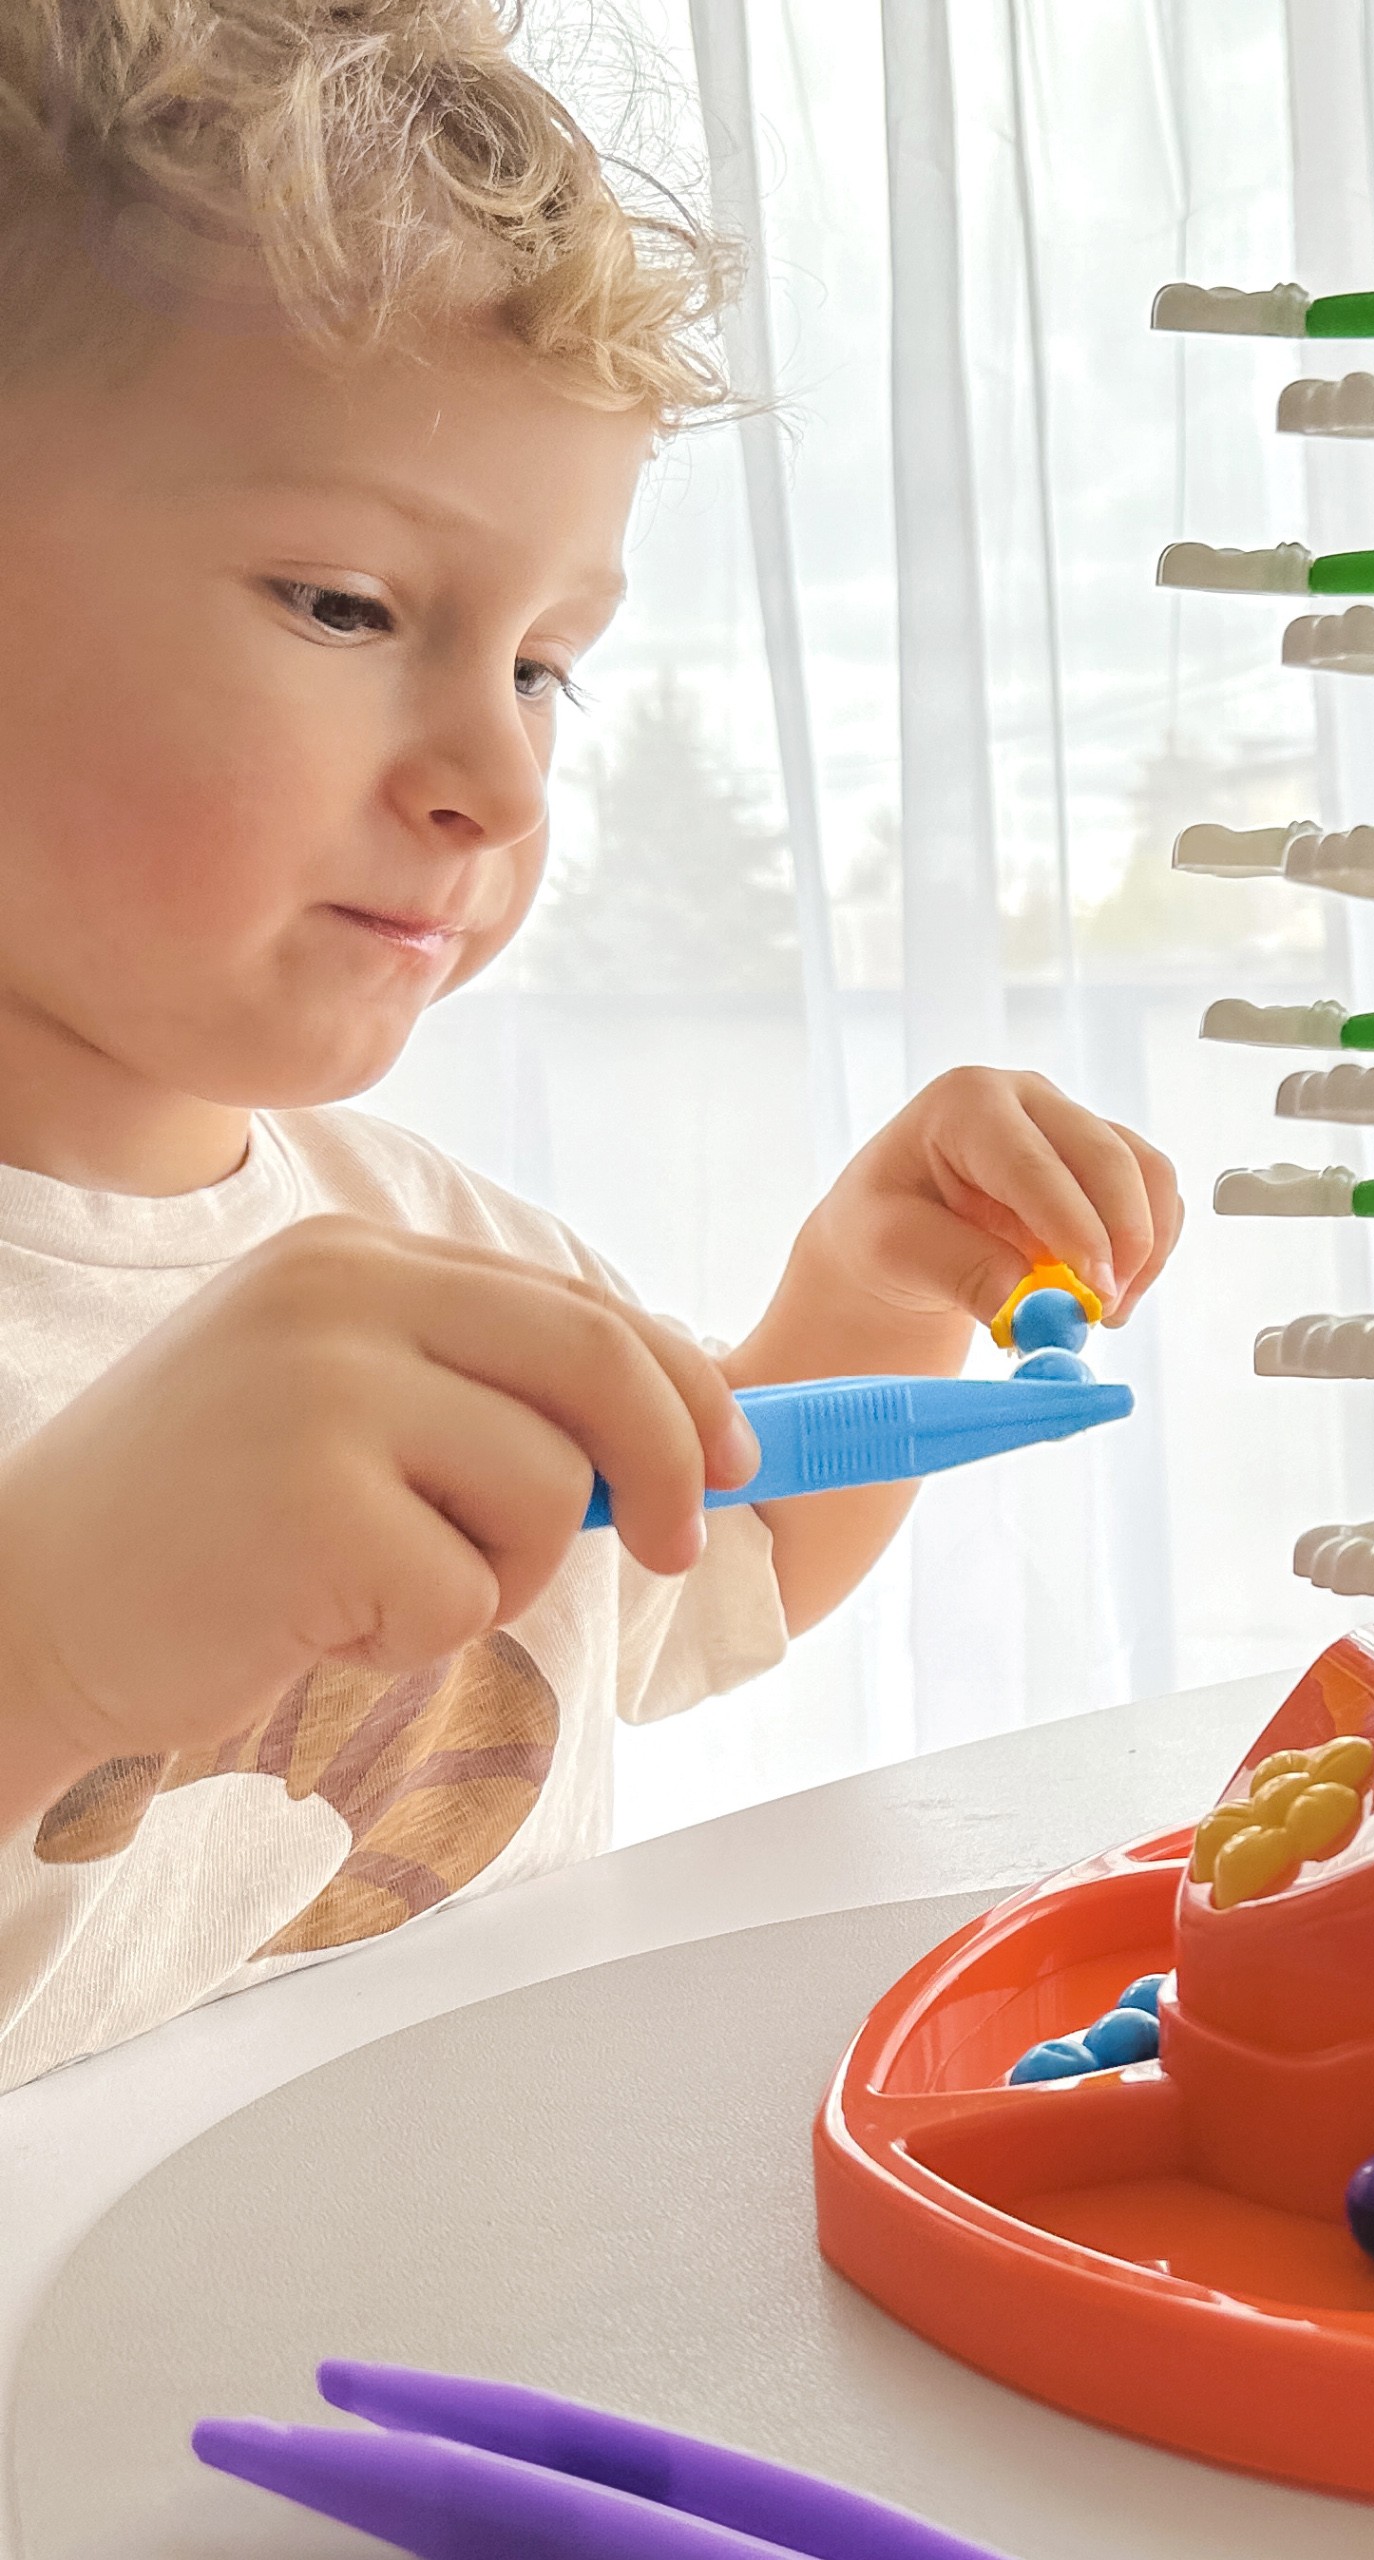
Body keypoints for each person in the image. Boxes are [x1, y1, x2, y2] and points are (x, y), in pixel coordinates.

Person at [0, 0, 1181, 2089]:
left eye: (549, 666)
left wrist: (868, 1293)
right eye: (345, 605)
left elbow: (715, 1564)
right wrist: (51, 1639)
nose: (497, 777)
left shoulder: (442, 1249)